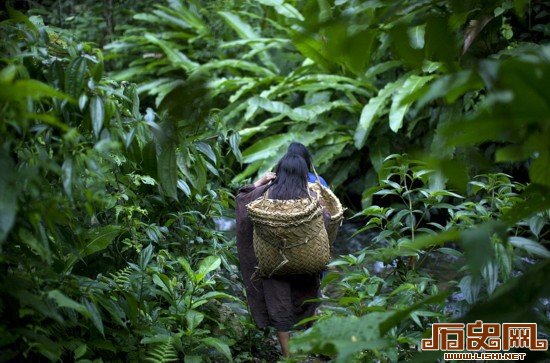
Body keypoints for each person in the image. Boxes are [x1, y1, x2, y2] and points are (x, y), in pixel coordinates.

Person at [235, 153, 330, 357]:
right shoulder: (311, 198)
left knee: (279, 307)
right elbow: (326, 220)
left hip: (273, 262)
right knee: (308, 301)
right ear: (303, 174)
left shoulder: (264, 195)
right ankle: (312, 347)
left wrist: (261, 181)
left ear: (279, 172)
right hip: (305, 263)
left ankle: (288, 357)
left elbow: (242, 200)